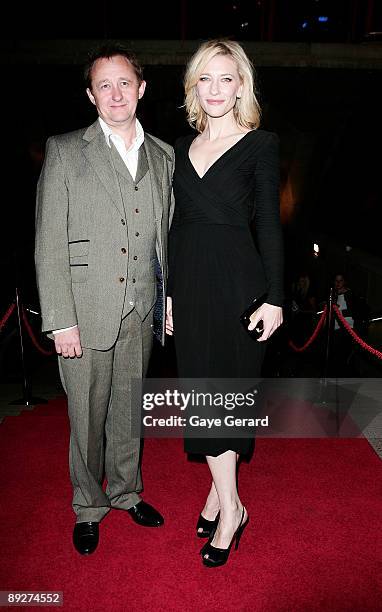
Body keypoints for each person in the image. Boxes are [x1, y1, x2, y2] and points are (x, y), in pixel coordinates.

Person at [35, 43, 174, 555]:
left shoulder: (163, 155)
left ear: (141, 89)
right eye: (104, 85)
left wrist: (168, 299)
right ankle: (89, 505)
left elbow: (165, 235)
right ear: (91, 96)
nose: (116, 93)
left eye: (124, 83)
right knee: (86, 418)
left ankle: (126, 491)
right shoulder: (66, 150)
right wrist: (59, 319)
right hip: (84, 312)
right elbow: (48, 240)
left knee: (127, 413)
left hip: (141, 309)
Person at [166, 40, 283, 567]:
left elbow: (269, 226)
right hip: (189, 287)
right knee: (200, 397)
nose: (215, 89)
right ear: (194, 86)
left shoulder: (260, 145)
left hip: (238, 284)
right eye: (205, 79)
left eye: (226, 79)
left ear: (241, 86)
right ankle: (221, 495)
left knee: (226, 397)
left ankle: (230, 509)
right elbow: (173, 228)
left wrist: (276, 299)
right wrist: (167, 294)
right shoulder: (176, 149)